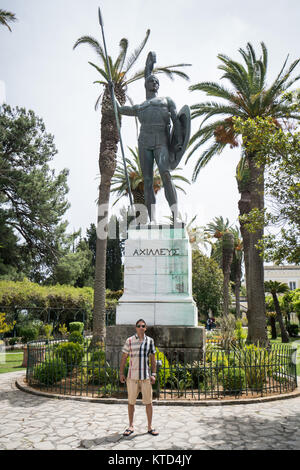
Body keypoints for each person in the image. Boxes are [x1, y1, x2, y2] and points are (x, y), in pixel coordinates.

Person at [117, 52, 184, 223]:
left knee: (165, 174)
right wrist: (112, 92)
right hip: (144, 141)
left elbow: (177, 121)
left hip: (161, 139)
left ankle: (176, 216)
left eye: (157, 82)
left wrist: (178, 140)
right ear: (145, 85)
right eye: (151, 81)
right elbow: (120, 109)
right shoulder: (140, 107)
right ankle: (152, 220)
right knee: (147, 180)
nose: (154, 82)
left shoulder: (166, 100)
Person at [119, 318, 159, 436]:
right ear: (136, 328)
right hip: (132, 376)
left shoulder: (150, 341)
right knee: (131, 402)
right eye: (139, 326)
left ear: (145, 328)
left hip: (145, 377)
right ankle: (131, 426)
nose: (141, 327)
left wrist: (154, 374)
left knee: (149, 402)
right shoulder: (130, 340)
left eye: (143, 326)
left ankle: (150, 426)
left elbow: (153, 359)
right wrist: (121, 373)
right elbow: (124, 358)